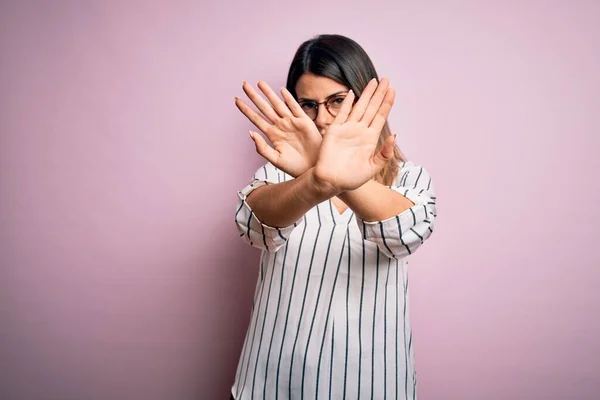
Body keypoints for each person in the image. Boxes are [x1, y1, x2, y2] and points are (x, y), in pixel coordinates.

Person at [230, 34, 436, 400]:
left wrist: (328, 175)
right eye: (308, 105)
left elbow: (406, 234)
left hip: (372, 386)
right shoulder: (279, 175)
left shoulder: (409, 179)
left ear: (364, 98)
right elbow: (253, 225)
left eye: (336, 101)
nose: (322, 118)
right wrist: (315, 179)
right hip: (270, 386)